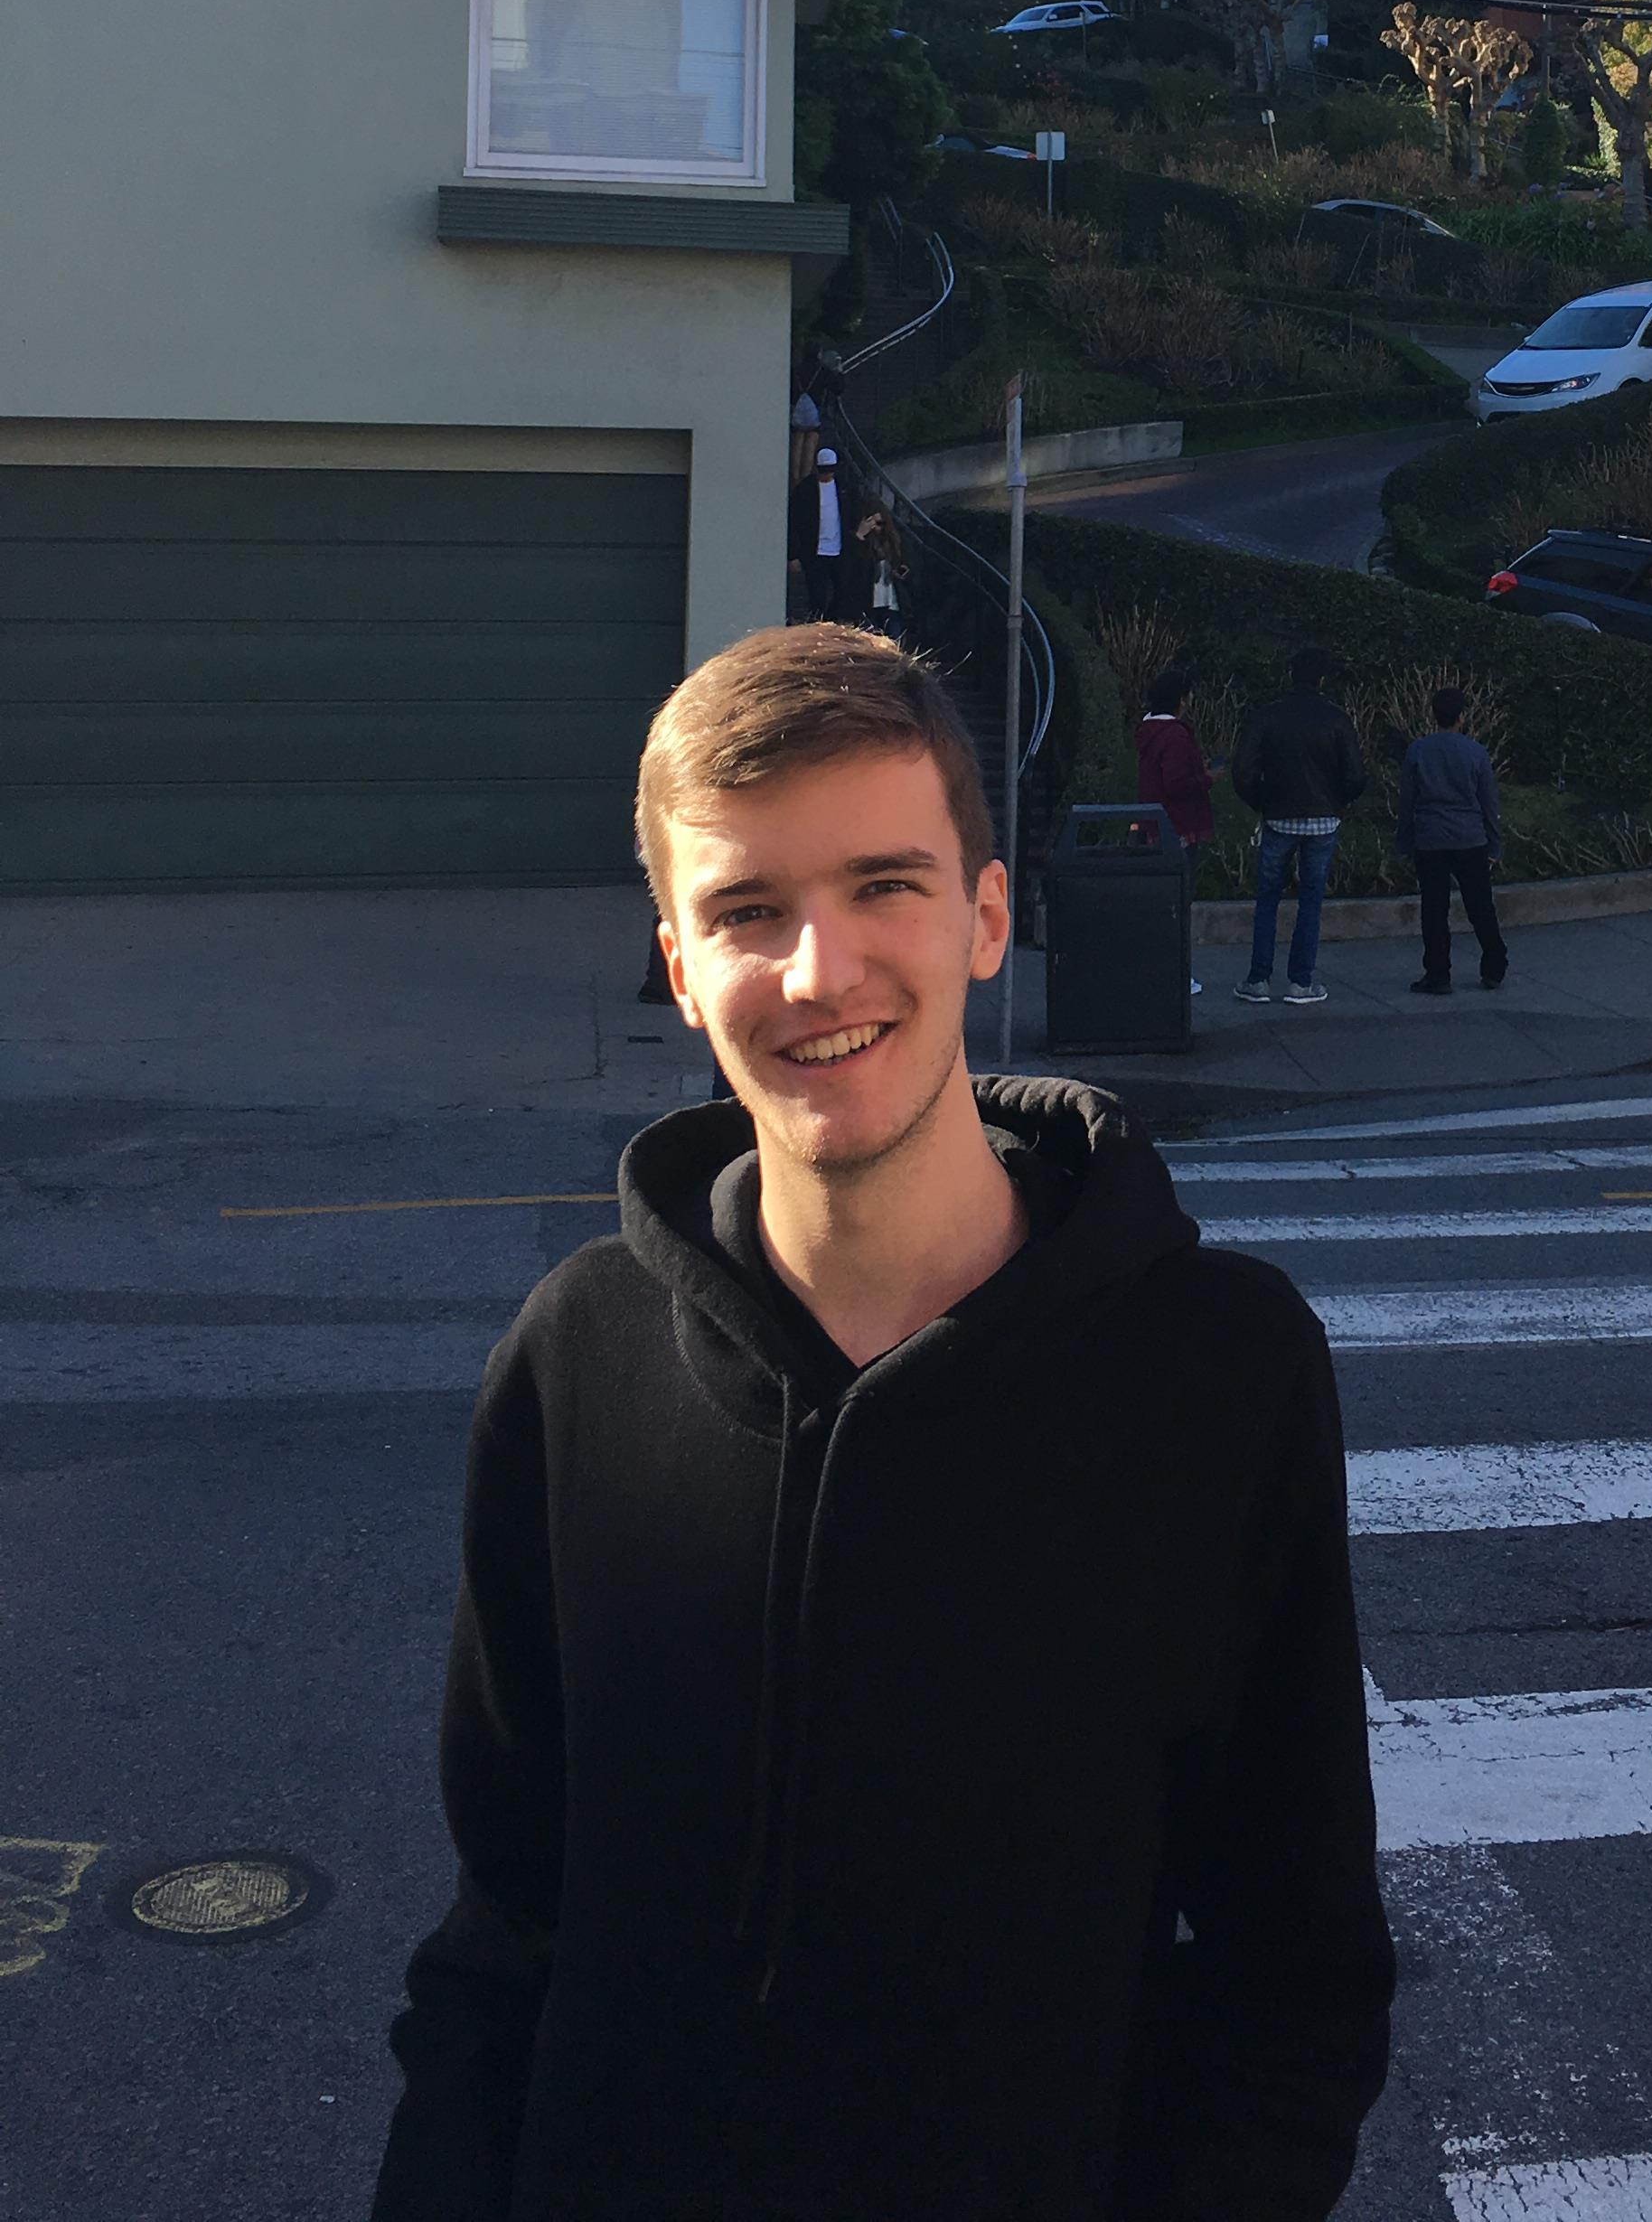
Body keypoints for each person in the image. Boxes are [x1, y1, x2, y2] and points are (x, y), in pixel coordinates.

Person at [371, 624, 1392, 2222]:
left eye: (881, 886)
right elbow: (506, 1920)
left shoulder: (1221, 1366)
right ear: (676, 958)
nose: (816, 970)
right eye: (746, 910)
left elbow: (1293, 1967)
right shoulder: (579, 1347)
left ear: (987, 918)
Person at [1230, 647, 1368, 1008]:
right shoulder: (1336, 718)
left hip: (1278, 814)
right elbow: (1355, 774)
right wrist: (1339, 802)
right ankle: (1300, 982)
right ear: (1322, 679)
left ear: (1290, 675)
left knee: (1268, 899)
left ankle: (1258, 979)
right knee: (1311, 900)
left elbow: (1242, 769)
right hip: (1323, 817)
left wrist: (1261, 800)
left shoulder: (1269, 715)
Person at [1395, 686, 1507, 998]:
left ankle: (1438, 973)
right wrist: (1494, 846)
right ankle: (1494, 965)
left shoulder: (1418, 751)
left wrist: (1405, 842)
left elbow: (1407, 801)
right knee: (1480, 906)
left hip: (1430, 838)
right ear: (1462, 717)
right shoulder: (1476, 753)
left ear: (1433, 716)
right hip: (1470, 838)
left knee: (1433, 909)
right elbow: (1489, 804)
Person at [1135, 661, 1216, 854]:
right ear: (1181, 700)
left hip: (1154, 824)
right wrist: (1207, 778)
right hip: (1177, 826)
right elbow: (1177, 784)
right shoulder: (1175, 735)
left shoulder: (1150, 731)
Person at [788, 444, 844, 618]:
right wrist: (793, 555)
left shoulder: (845, 488)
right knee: (816, 595)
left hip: (839, 549)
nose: (827, 474)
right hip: (813, 551)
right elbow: (794, 523)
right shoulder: (804, 490)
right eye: (823, 470)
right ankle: (818, 621)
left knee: (842, 591)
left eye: (829, 470)